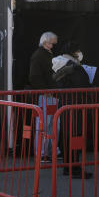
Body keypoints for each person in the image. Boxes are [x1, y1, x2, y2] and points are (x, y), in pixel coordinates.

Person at [52, 42, 92, 179]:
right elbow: (84, 85)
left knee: (66, 135)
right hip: (75, 106)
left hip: (65, 105)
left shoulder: (59, 65)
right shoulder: (74, 67)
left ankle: (68, 166)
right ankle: (74, 168)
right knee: (75, 135)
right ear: (74, 52)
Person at [28, 31, 58, 162]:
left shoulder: (46, 54)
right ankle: (41, 153)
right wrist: (44, 89)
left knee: (52, 125)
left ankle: (50, 152)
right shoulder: (39, 56)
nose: (53, 45)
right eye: (52, 43)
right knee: (45, 124)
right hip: (46, 95)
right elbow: (34, 76)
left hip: (50, 94)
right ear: (45, 42)